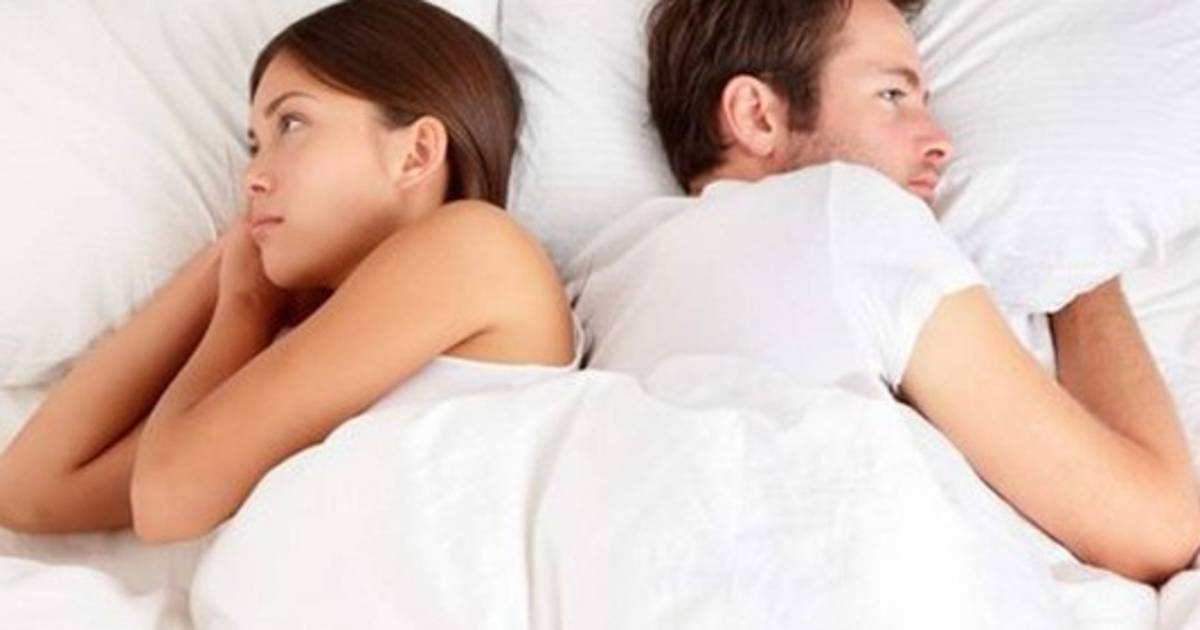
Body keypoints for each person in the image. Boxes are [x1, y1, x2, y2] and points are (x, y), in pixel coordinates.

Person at [570, 0, 1200, 584]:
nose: (940, 141)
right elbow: (1153, 529)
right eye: (891, 95)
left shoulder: (593, 285)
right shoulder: (849, 210)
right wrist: (1083, 274)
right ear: (758, 115)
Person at [0, 0, 579, 544]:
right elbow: (29, 493)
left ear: (417, 153)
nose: (251, 176)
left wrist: (243, 308)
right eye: (254, 145)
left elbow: (167, 500)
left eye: (292, 125)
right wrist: (227, 267)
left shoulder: (477, 246)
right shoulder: (312, 353)